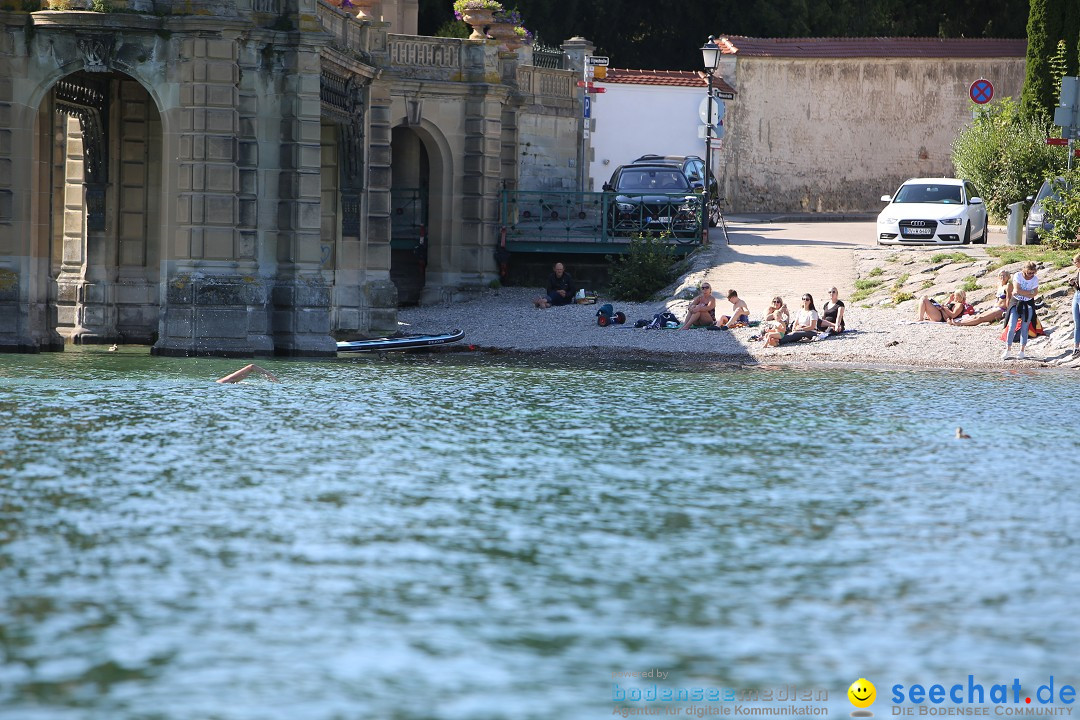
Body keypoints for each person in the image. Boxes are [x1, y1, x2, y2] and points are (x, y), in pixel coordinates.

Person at [1003, 262, 1039, 360]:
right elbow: (1016, 290)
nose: (1030, 275)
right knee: (1011, 325)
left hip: (1028, 304)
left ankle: (1022, 351)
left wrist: (1027, 293)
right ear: (1024, 270)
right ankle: (1008, 349)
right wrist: (1029, 292)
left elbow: (1035, 293)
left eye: (1032, 273)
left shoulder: (1035, 279)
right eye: (1029, 273)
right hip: (1016, 302)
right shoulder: (1018, 275)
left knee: (1025, 327)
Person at [1070, 252, 1080, 359]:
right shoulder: (1078, 271)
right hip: (1077, 296)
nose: (1075, 264)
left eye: (1076, 262)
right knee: (1077, 323)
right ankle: (1076, 347)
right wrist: (1073, 284)